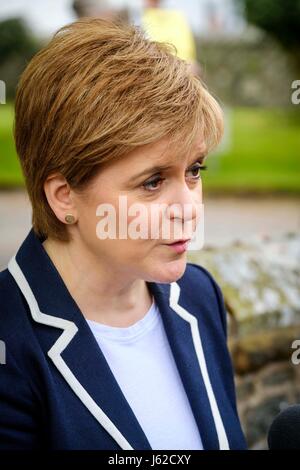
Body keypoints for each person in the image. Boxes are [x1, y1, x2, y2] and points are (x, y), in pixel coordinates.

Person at [0, 17, 246, 450]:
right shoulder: (10, 344)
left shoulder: (199, 296)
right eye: (152, 182)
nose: (189, 209)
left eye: (194, 171)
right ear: (64, 197)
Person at [141, 0, 201, 77]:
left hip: (183, 71)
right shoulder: (138, 18)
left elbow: (188, 51)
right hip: (158, 72)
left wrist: (190, 64)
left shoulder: (177, 16)